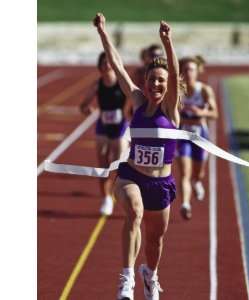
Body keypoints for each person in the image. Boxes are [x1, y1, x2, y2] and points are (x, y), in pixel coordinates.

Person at [93, 13, 180, 300]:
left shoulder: (170, 110)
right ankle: (127, 279)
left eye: (161, 81)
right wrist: (103, 33)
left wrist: (167, 44)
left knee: (155, 240)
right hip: (131, 175)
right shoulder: (138, 101)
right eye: (152, 79)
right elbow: (117, 67)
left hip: (160, 183)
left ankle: (149, 275)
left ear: (169, 86)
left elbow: (175, 75)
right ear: (145, 81)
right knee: (134, 211)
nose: (156, 84)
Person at [80, 52, 131, 216]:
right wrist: (88, 110)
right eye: (103, 63)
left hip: (120, 126)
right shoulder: (97, 85)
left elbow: (133, 100)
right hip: (103, 126)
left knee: (119, 164)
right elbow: (83, 105)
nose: (107, 66)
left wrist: (125, 112)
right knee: (102, 165)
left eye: (109, 63)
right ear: (99, 67)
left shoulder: (121, 84)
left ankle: (122, 195)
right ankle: (106, 198)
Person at [176, 55, 218, 220]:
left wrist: (202, 113)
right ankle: (185, 204)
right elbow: (173, 114)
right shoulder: (179, 91)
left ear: (197, 71)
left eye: (191, 69)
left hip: (201, 135)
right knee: (184, 173)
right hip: (184, 135)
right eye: (185, 69)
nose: (188, 72)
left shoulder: (205, 90)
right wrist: (183, 116)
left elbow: (215, 113)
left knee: (198, 173)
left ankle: (197, 182)